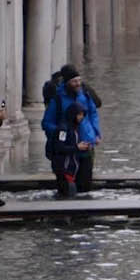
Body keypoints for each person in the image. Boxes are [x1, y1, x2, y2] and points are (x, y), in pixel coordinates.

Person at [41, 65, 100, 198]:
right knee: (67, 188)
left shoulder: (85, 95)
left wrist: (96, 133)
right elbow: (46, 123)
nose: (78, 84)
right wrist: (62, 134)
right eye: (74, 81)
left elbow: (93, 114)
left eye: (79, 80)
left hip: (86, 145)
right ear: (66, 82)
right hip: (66, 151)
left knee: (85, 187)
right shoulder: (57, 99)